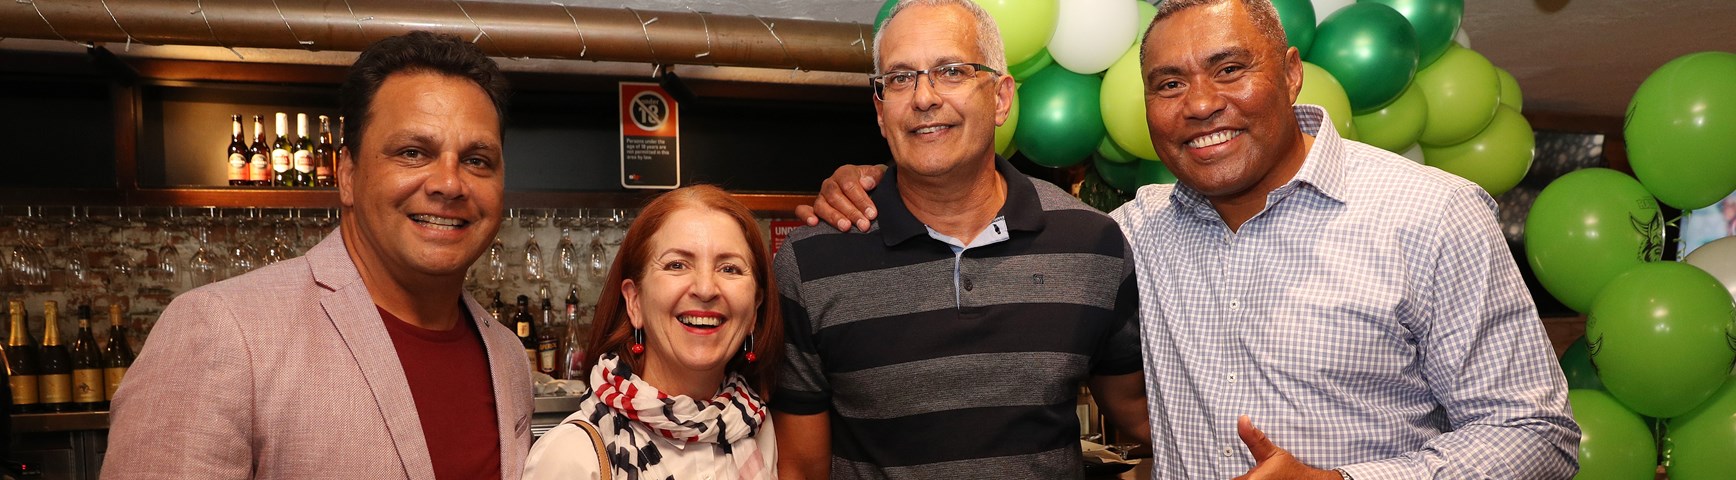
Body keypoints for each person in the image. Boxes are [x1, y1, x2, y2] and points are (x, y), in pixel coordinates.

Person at [801, 0, 1580, 478]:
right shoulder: (1128, 236)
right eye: (1169, 84)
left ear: (1292, 72)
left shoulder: (1431, 214)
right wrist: (872, 183)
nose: (1200, 104)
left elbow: (1537, 436)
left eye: (1229, 69)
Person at [105, 31, 533, 479]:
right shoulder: (224, 330)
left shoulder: (506, 353)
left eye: (477, 160)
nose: (449, 183)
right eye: (412, 152)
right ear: (347, 174)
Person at [773, 1, 1150, 479]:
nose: (923, 97)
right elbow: (801, 467)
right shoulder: (811, 261)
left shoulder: (1091, 243)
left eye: (951, 71)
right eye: (900, 78)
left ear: (1001, 97)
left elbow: (1139, 413)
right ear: (880, 111)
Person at [524, 185, 782, 480]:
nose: (705, 288)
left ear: (755, 309)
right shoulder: (571, 456)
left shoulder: (755, 428)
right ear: (635, 301)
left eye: (729, 269)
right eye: (677, 265)